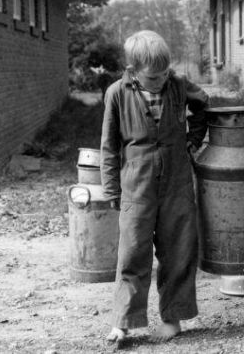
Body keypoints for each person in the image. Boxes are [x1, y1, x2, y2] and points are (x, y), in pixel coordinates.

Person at [100, 30, 208, 343]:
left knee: (178, 250)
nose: (160, 80)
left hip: (176, 182)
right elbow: (108, 145)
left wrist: (193, 140)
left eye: (164, 74)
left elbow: (203, 104)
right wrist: (111, 188)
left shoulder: (177, 84)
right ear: (132, 72)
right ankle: (123, 321)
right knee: (133, 251)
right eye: (152, 77)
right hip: (136, 183)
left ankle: (173, 319)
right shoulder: (117, 93)